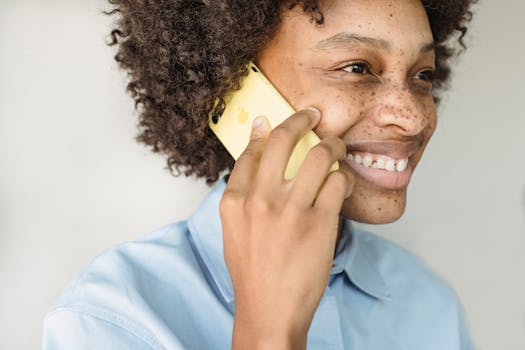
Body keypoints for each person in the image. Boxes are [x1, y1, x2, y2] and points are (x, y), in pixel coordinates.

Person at [43, 0, 477, 349]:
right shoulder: (110, 320)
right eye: (356, 68)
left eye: (422, 75)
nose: (412, 118)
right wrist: (269, 331)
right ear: (232, 89)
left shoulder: (427, 304)